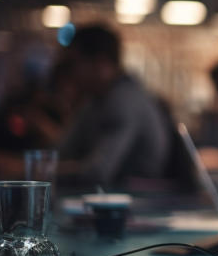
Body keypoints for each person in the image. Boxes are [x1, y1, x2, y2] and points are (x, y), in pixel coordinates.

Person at [57, 25, 172, 188]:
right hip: (111, 198)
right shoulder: (96, 99)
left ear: (101, 62)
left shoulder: (124, 101)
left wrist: (34, 168)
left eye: (75, 63)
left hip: (139, 203)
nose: (71, 73)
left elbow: (98, 172)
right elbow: (64, 151)